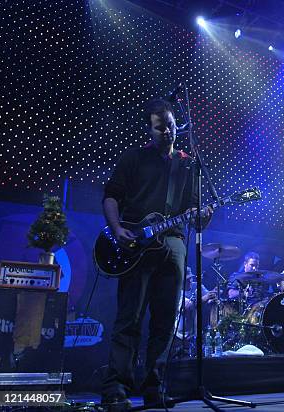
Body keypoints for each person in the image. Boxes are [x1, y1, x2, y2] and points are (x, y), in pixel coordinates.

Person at [101, 98, 211, 408]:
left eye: (172, 126)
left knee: (165, 320)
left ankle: (155, 387)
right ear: (149, 129)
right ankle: (116, 388)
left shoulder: (189, 164)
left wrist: (203, 214)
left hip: (173, 244)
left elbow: (193, 208)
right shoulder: (134, 159)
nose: (168, 132)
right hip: (136, 243)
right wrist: (117, 229)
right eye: (161, 127)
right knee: (130, 318)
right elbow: (111, 198)